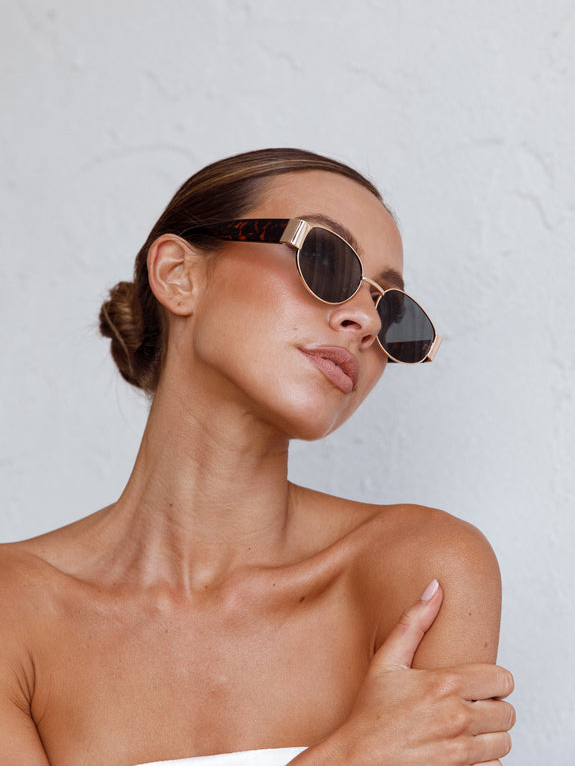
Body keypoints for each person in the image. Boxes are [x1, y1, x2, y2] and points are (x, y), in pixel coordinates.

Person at [0, 148, 515, 766]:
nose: (365, 320)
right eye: (325, 259)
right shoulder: (14, 607)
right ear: (179, 275)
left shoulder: (420, 572)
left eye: (391, 309)